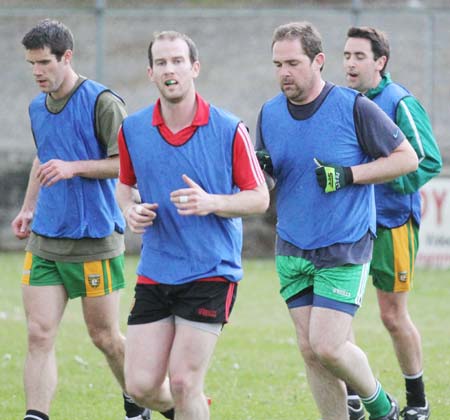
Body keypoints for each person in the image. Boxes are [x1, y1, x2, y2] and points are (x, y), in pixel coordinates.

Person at [255, 22, 419, 420]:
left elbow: (407, 158)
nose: (284, 73)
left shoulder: (354, 106)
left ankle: (383, 407)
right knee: (311, 352)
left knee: (328, 345)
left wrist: (349, 174)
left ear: (318, 61)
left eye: (293, 63)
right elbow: (269, 179)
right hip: (292, 245)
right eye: (278, 64)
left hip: (343, 244)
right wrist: (258, 171)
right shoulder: (269, 113)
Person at [115, 30, 269, 420]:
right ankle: (194, 409)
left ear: (194, 68)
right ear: (151, 73)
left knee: (184, 381)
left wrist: (211, 202)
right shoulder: (133, 129)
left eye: (178, 61)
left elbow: (260, 198)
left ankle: (190, 401)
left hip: (211, 271)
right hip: (156, 270)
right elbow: (124, 185)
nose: (171, 69)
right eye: (162, 62)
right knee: (140, 386)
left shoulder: (228, 128)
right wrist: (128, 210)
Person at [11, 19, 150, 420]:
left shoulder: (103, 102)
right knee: (38, 334)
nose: (37, 72)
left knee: (104, 337)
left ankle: (135, 401)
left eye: (43, 63)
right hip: (46, 240)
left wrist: (73, 168)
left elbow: (126, 164)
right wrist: (28, 207)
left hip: (94, 239)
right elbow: (45, 155)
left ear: (66, 57)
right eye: (31, 64)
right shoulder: (37, 106)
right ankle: (36, 415)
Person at [343, 26, 442, 420]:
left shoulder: (400, 102)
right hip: (350, 223)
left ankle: (417, 401)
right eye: (346, 55)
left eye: (359, 57)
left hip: (393, 222)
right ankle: (351, 396)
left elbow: (428, 160)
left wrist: (384, 177)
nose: (350, 63)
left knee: (392, 315)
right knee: (338, 313)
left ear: (380, 62)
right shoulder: (344, 100)